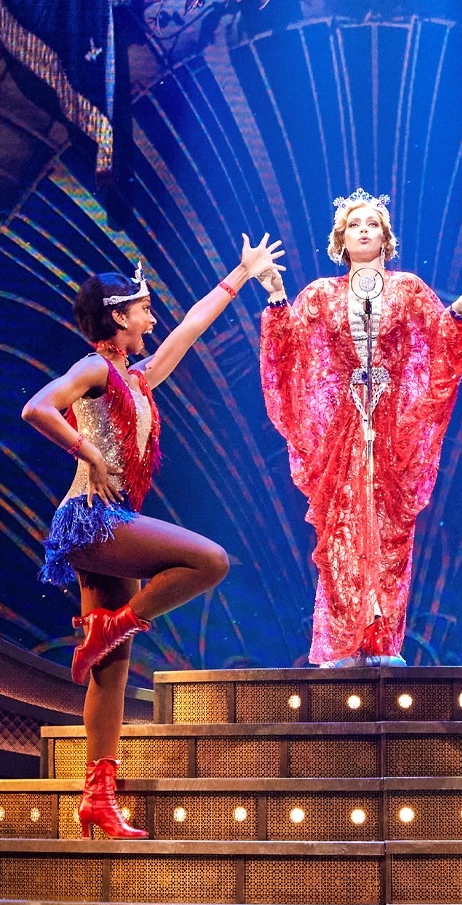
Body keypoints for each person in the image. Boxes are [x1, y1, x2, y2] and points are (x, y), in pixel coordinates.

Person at [23, 238, 283, 838]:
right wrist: (88, 450)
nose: (152, 317)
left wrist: (240, 273)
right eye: (143, 307)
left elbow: (189, 329)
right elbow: (37, 408)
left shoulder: (136, 378)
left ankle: (98, 796)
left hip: (109, 526)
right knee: (209, 561)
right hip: (92, 519)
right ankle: (112, 625)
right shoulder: (95, 368)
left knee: (110, 671)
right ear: (118, 316)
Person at [258, 189, 462, 666]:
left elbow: (439, 337)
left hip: (393, 426)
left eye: (372, 224)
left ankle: (383, 642)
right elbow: (290, 346)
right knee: (343, 530)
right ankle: (342, 643)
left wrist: (461, 311)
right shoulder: (322, 294)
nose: (363, 230)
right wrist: (277, 294)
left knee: (389, 531)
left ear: (385, 237)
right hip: (344, 425)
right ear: (341, 240)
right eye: (354, 225)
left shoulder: (408, 289)